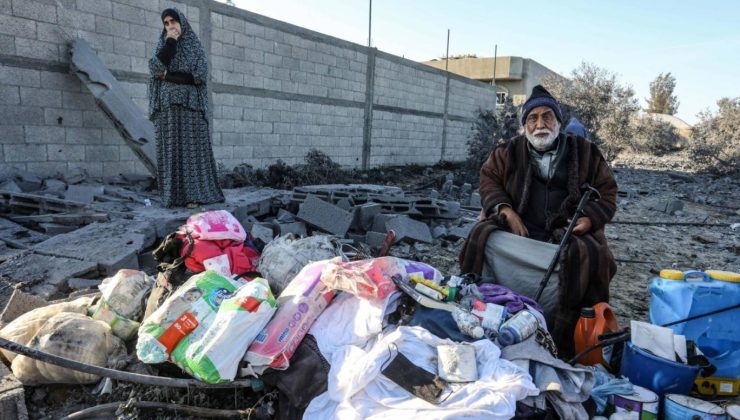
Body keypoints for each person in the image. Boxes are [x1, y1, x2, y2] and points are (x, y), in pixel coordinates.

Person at [460, 85, 618, 358]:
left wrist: (589, 219)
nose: (540, 124)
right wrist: (507, 211)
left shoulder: (586, 152)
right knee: (482, 237)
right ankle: (488, 307)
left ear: (558, 121)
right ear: (524, 125)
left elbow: (607, 192)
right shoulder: (506, 152)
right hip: (519, 232)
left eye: (547, 117)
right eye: (532, 118)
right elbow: (489, 181)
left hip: (567, 233)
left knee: (590, 255)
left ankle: (567, 331)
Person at [149, 8, 224, 209]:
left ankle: (194, 195)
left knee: (192, 151)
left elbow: (198, 76)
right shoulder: (164, 45)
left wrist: (167, 76)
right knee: (172, 150)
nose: (171, 26)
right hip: (168, 108)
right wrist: (170, 42)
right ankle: (173, 197)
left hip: (191, 107)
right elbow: (155, 67)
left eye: (173, 21)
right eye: (166, 23)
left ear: (182, 22)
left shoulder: (195, 47)